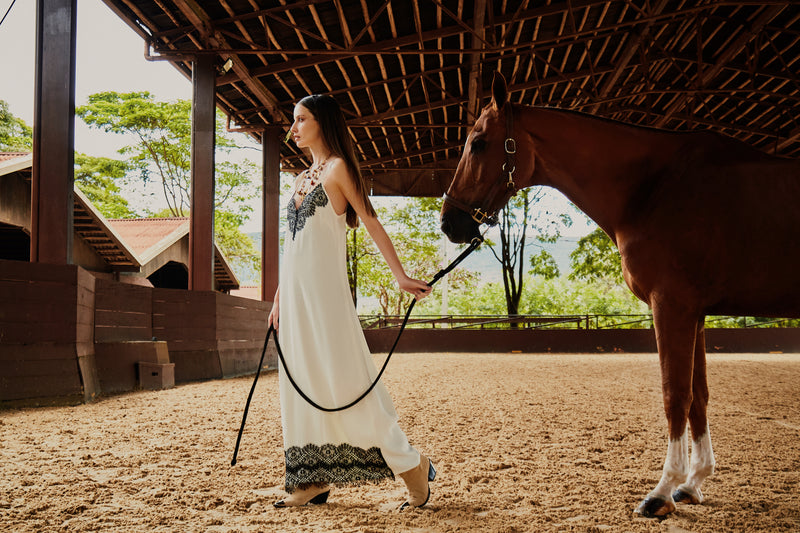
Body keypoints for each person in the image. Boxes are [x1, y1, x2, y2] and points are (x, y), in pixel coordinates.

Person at [268, 94, 436, 509]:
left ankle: (412, 467)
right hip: (294, 300)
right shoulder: (299, 178)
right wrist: (276, 300)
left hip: (326, 298)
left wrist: (400, 277)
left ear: (322, 122)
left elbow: (372, 221)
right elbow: (292, 247)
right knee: (299, 384)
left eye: (301, 119)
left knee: (348, 384)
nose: (294, 129)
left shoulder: (339, 169)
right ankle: (310, 481)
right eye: (293, 121)